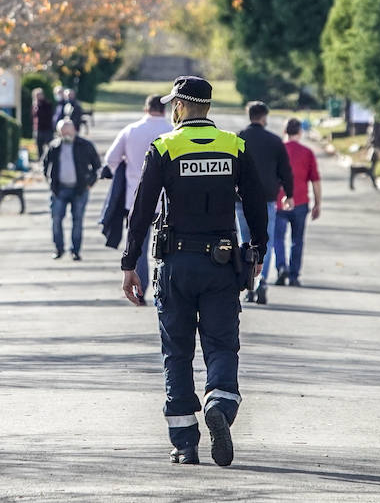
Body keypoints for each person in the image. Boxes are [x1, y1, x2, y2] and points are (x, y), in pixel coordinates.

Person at [121, 76, 267, 467]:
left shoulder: (165, 147)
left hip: (175, 265)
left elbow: (142, 209)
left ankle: (185, 442)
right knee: (221, 344)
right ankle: (219, 400)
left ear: (180, 107)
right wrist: (258, 251)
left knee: (178, 352)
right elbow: (256, 203)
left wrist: (129, 263)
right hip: (221, 265)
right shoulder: (234, 146)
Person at [102, 94, 170, 301]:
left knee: (138, 245)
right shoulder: (171, 131)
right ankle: (165, 288)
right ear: (165, 110)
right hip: (166, 200)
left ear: (145, 109)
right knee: (167, 247)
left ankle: (140, 289)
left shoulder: (130, 130)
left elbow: (111, 159)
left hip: (135, 198)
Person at [237, 101, 292, 305]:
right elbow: (285, 170)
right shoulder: (274, 141)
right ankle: (261, 282)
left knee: (245, 241)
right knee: (263, 243)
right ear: (264, 117)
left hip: (240, 199)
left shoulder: (239, 139)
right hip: (267, 198)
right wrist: (289, 193)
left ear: (249, 115)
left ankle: (248, 282)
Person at [271, 118, 321, 287]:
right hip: (300, 202)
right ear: (300, 132)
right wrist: (318, 203)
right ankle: (294, 275)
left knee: (277, 238)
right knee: (297, 240)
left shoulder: (277, 151)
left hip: (278, 202)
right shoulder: (307, 153)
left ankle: (281, 267)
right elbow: (315, 181)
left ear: (284, 132)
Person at [42, 119, 101, 261]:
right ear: (59, 133)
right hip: (59, 189)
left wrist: (90, 183)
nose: (66, 134)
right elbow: (45, 165)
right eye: (63, 132)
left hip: (79, 190)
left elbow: (97, 166)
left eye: (68, 131)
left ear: (74, 130)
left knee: (77, 220)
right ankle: (58, 248)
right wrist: (49, 181)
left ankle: (75, 250)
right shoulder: (54, 147)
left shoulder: (85, 145)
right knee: (56, 219)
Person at [31, 88, 55, 160]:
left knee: (49, 145)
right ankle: (41, 160)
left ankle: (50, 159)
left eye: (39, 95)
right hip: (38, 128)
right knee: (39, 146)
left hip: (47, 128)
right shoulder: (34, 105)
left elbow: (47, 115)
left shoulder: (47, 104)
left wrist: (39, 107)